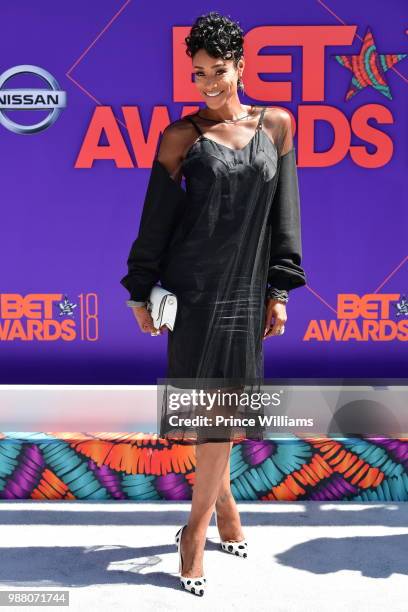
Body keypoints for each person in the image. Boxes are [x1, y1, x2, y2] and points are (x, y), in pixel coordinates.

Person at [120, 11, 307, 596]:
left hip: (247, 292)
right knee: (213, 416)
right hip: (194, 291)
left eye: (217, 71)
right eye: (197, 72)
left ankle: (222, 515)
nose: (206, 83)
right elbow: (156, 220)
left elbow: (286, 215)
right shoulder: (182, 136)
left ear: (242, 66)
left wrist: (279, 288)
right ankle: (196, 536)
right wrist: (139, 287)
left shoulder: (276, 126)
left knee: (220, 416)